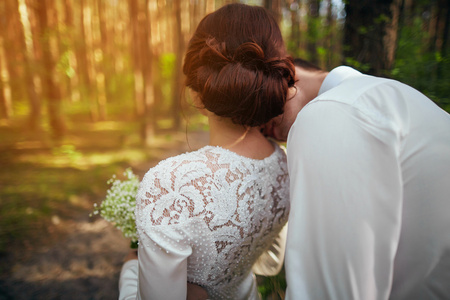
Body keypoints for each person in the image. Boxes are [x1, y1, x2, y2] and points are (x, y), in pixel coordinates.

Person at [118, 3, 295, 300]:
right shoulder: (287, 164)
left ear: (196, 95)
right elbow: (271, 263)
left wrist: (131, 269)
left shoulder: (169, 184)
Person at [264, 59, 450, 299]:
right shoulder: (393, 97)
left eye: (259, 93)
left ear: (287, 72)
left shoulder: (334, 112)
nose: (254, 122)